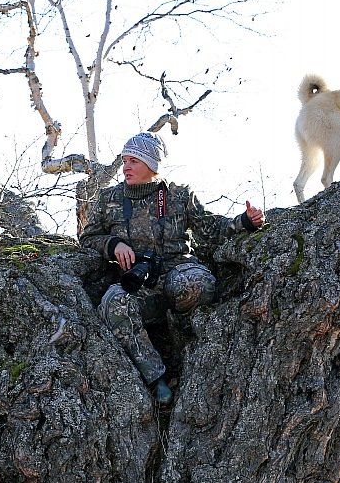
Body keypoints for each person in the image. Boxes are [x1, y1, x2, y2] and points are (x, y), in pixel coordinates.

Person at [79, 131, 265, 405]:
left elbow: (211, 229)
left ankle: (187, 343)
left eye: (134, 161)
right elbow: (88, 238)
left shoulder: (178, 196)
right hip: (138, 283)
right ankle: (157, 379)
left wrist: (245, 222)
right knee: (112, 302)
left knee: (197, 284)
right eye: (124, 160)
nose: (126, 167)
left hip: (177, 272)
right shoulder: (109, 199)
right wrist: (113, 244)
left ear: (152, 166)